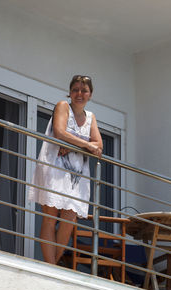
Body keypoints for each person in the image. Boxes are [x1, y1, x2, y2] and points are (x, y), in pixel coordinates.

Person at [28, 75, 103, 265]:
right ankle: (52, 267)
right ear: (70, 92)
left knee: (69, 223)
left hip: (76, 177)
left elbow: (99, 146)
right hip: (55, 169)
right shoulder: (63, 106)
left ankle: (52, 264)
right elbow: (59, 131)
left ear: (90, 94)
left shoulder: (90, 117)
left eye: (84, 90)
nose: (79, 94)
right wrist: (85, 145)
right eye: (76, 89)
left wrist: (74, 146)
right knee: (50, 220)